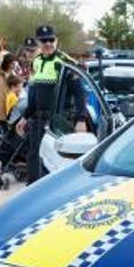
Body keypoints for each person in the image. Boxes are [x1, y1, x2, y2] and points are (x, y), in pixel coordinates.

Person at [17, 25, 83, 184]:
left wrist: (81, 119)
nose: (48, 43)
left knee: (59, 158)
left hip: (59, 120)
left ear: (56, 41)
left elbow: (79, 93)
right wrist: (24, 117)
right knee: (33, 155)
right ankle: (32, 191)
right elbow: (33, 95)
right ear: (38, 43)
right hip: (38, 119)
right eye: (44, 41)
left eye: (51, 40)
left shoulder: (65, 62)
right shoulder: (36, 63)